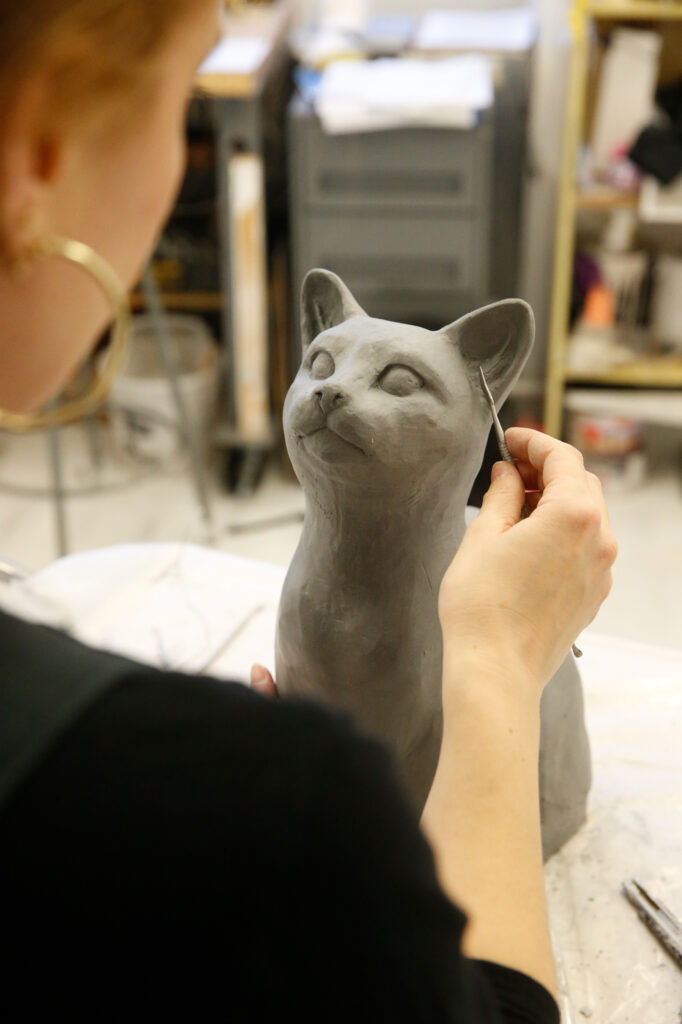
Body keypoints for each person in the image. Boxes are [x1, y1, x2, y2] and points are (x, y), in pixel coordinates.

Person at [0, 2, 617, 1020]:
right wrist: (498, 670)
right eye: (183, 102)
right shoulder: (257, 803)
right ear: (39, 147)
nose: (328, 393)